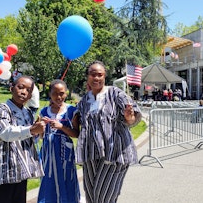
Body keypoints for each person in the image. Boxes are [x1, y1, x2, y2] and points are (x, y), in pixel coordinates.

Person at [75, 60, 142, 203]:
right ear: (88, 76)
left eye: (100, 74)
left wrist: (129, 118)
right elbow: (78, 123)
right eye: (93, 74)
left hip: (115, 154)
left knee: (103, 198)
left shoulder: (115, 94)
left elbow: (133, 115)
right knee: (91, 197)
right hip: (91, 156)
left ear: (105, 76)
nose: (96, 78)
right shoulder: (84, 101)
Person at [0, 76, 49, 203]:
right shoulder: (1, 110)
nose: (24, 92)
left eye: (28, 90)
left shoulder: (27, 112)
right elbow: (5, 133)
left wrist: (37, 132)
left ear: (30, 96)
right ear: (11, 88)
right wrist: (31, 130)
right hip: (5, 169)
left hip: (21, 170)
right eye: (20, 87)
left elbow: (29, 139)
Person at [37, 79, 80, 203]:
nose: (58, 96)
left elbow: (76, 134)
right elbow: (40, 136)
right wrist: (41, 127)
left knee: (67, 179)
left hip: (64, 153)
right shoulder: (44, 111)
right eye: (55, 93)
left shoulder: (72, 111)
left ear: (66, 93)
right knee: (48, 179)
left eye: (61, 93)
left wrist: (61, 127)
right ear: (50, 94)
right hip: (48, 154)